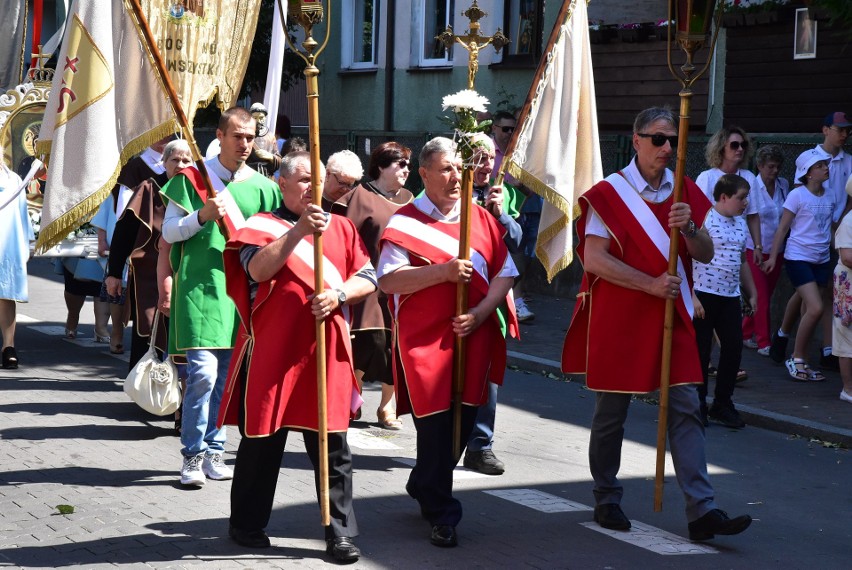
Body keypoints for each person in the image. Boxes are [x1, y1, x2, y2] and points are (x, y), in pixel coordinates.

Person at [562, 107, 752, 541]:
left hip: (672, 312)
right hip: (623, 315)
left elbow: (704, 253)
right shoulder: (608, 194)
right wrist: (648, 284)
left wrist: (689, 232)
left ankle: (702, 510)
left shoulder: (684, 188)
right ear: (636, 140)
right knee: (612, 413)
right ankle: (607, 496)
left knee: (687, 406)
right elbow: (594, 259)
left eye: (672, 141)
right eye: (658, 139)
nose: (667, 148)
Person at [217, 152, 373, 561]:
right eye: (303, 179)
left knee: (333, 445)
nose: (312, 188)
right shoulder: (260, 226)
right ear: (282, 183)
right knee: (262, 442)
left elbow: (369, 277)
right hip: (274, 350)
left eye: (317, 181)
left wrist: (339, 294)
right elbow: (256, 271)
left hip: (327, 352)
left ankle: (339, 532)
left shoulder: (341, 227)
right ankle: (246, 523)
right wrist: (300, 231)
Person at [378, 137, 517, 547]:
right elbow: (388, 281)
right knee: (436, 424)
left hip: (473, 332)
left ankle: (425, 480)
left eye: (460, 168)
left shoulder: (481, 219)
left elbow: (505, 274)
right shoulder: (405, 221)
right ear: (424, 174)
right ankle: (443, 513)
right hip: (426, 341)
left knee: (464, 421)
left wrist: (481, 312)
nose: (457, 177)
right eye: (446, 169)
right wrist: (442, 272)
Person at [161, 107, 281, 487]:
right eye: (237, 136)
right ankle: (192, 454)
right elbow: (168, 233)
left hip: (240, 292)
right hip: (199, 287)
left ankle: (215, 448)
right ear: (220, 135)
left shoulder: (264, 187)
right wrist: (201, 216)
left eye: (250, 137)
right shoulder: (191, 178)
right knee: (203, 375)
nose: (245, 144)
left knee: (228, 377)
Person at [323, 147, 412, 430]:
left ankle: (387, 406)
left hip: (401, 280)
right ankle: (354, 396)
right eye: (400, 164)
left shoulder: (411, 201)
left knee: (394, 346)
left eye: (408, 165)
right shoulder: (357, 197)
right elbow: (338, 238)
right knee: (367, 340)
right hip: (365, 279)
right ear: (381, 167)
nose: (406, 170)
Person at [464, 134, 523, 476]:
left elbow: (515, 242)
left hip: (490, 299)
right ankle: (441, 440)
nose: (487, 165)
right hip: (453, 295)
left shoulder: (502, 194)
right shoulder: (447, 191)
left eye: (490, 158)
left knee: (488, 372)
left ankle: (481, 445)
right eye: (480, 158)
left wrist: (500, 214)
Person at [106, 139, 192, 369]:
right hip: (149, 275)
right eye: (175, 159)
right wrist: (113, 273)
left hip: (188, 275)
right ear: (164, 162)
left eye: (187, 160)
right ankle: (145, 390)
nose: (181, 164)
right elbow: (124, 233)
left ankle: (179, 393)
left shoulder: (198, 192)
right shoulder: (149, 189)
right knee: (148, 329)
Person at [692, 174, 757, 429]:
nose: (745, 203)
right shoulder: (704, 217)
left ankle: (722, 403)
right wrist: (693, 297)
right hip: (704, 293)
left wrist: (751, 291)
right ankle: (697, 405)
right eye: (741, 197)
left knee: (733, 348)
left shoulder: (740, 223)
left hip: (730, 295)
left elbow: (741, 260)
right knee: (701, 351)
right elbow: (687, 257)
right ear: (723, 197)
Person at [764, 148, 834, 382]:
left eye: (825, 164)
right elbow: (783, 228)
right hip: (798, 257)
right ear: (808, 173)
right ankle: (796, 357)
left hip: (822, 259)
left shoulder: (831, 194)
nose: (826, 168)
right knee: (815, 307)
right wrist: (774, 256)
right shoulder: (797, 195)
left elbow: (829, 228)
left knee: (808, 307)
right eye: (820, 165)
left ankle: (801, 356)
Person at [743, 145, 789, 356]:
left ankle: (743, 332)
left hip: (777, 250)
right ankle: (764, 342)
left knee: (766, 294)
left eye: (778, 167)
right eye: (770, 166)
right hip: (754, 248)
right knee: (760, 295)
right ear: (760, 166)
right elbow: (750, 217)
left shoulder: (783, 185)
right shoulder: (751, 186)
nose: (775, 171)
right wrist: (755, 245)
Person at [492, 110, 537, 321]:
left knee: (518, 259)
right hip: (488, 215)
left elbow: (530, 190)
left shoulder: (517, 153)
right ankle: (505, 302)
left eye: (514, 129)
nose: (510, 133)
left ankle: (515, 302)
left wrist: (520, 186)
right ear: (494, 128)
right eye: (506, 129)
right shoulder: (485, 150)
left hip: (513, 213)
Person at [0, 159, 34, 369]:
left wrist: (26, 243)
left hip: (7, 243)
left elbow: (22, 214)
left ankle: (8, 346)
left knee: (5, 293)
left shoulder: (13, 179)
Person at [832, 176, 852, 404]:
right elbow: (847, 256)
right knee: (847, 333)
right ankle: (848, 388)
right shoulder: (849, 221)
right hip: (849, 284)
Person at [246, 102, 282, 178]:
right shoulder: (246, 135)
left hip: (267, 175)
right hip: (249, 174)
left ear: (265, 118)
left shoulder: (270, 135)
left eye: (261, 118)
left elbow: (279, 160)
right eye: (255, 118)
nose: (258, 121)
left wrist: (270, 156)